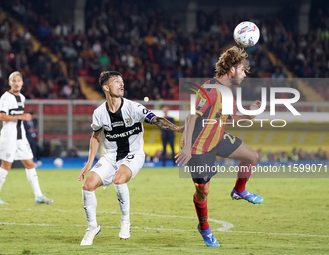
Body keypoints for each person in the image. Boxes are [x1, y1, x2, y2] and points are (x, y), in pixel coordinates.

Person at [78, 71, 182, 246]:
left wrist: (177, 129)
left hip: (133, 154)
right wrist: (90, 162)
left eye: (122, 81)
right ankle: (92, 227)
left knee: (119, 180)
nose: (121, 84)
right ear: (106, 87)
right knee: (87, 186)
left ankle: (125, 221)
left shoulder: (133, 107)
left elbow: (155, 119)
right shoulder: (99, 113)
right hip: (110, 156)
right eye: (116, 81)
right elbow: (96, 136)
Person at [176, 46, 263, 247]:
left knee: (252, 156)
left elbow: (230, 119)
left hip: (217, 138)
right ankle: (204, 228)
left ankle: (239, 190)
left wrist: (249, 114)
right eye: (242, 69)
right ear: (231, 69)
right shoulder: (210, 89)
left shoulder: (227, 92)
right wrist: (187, 147)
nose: (244, 74)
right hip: (198, 148)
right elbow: (191, 116)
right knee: (203, 192)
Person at [0, 71, 53, 205]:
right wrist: (21, 116)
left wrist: (22, 117)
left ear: (22, 82)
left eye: (19, 80)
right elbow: (1, 117)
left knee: (30, 164)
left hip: (21, 137)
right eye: (14, 81)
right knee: (6, 165)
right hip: (9, 137)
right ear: (9, 83)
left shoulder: (22, 98)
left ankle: (39, 196)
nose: (16, 83)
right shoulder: (5, 97)